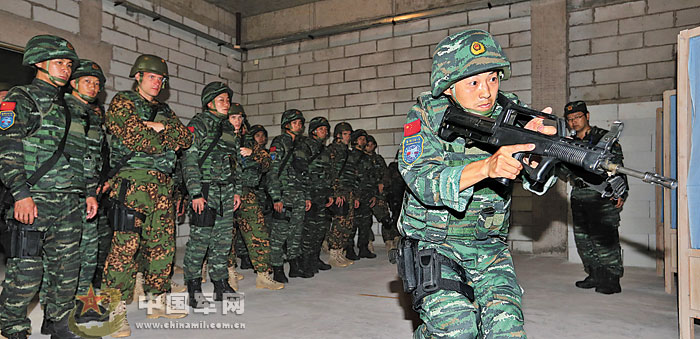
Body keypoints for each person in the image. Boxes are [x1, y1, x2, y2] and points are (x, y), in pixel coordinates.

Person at [398, 29, 557, 338]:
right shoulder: (424, 118)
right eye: (473, 82)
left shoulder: (511, 115)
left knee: (507, 329)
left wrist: (542, 152)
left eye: (493, 79)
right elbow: (423, 181)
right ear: (447, 88)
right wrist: (486, 166)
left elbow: (539, 181)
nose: (486, 92)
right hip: (436, 244)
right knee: (457, 330)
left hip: (488, 246)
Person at [0, 35, 92, 339]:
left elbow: (81, 155)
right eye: (58, 62)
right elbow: (8, 148)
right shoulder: (20, 98)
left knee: (66, 268)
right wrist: (20, 195)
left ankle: (57, 322)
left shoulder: (70, 106)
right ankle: (12, 328)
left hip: (69, 201)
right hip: (34, 199)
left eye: (68, 64)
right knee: (26, 271)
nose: (66, 69)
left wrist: (88, 191)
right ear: (39, 63)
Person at [102, 54, 192, 337]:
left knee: (162, 245)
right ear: (137, 76)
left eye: (161, 79)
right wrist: (163, 134)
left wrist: (158, 127)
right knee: (125, 248)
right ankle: (112, 309)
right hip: (132, 184)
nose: (157, 82)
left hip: (163, 187)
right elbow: (135, 138)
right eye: (152, 77)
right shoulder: (122, 102)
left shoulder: (164, 110)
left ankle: (157, 297)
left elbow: (186, 139)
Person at [182, 82, 242, 308]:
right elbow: (189, 160)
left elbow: (235, 162)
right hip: (205, 190)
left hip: (226, 191)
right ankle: (194, 288)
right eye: (221, 100)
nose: (226, 104)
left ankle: (220, 284)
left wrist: (236, 190)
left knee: (223, 240)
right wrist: (195, 193)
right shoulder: (198, 124)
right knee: (200, 241)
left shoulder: (228, 129)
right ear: (209, 103)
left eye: (227, 100)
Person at [561, 100, 627, 295]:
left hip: (602, 193)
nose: (573, 122)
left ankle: (612, 279)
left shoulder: (604, 139)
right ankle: (595, 274)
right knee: (583, 239)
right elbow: (565, 170)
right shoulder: (569, 143)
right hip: (579, 193)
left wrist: (621, 191)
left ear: (587, 116)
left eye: (577, 117)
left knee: (604, 238)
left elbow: (617, 167)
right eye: (570, 119)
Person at [64, 59, 109, 323]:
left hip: (89, 194)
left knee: (89, 253)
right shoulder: (61, 109)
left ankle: (84, 305)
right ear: (73, 83)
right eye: (87, 81)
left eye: (97, 83)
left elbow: (96, 156)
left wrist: (100, 183)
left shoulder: (92, 115)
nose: (93, 87)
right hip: (65, 192)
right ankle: (58, 311)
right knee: (64, 257)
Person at [227, 106, 284, 290]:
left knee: (258, 232)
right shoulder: (220, 138)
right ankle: (228, 272)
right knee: (226, 235)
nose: (237, 121)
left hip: (247, 192)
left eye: (240, 117)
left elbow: (268, 163)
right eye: (233, 117)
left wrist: (254, 153)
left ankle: (263, 275)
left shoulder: (249, 141)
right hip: (224, 191)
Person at [267, 109, 312, 282]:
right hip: (284, 195)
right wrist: (275, 197)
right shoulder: (279, 143)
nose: (299, 125)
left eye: (300, 123)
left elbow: (305, 173)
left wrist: (306, 195)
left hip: (299, 196)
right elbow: (272, 172)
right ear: (287, 125)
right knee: (279, 234)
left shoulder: (301, 146)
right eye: (295, 122)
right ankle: (277, 267)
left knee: (296, 232)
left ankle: (294, 265)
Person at [300, 117, 334, 274]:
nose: (324, 132)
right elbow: (301, 171)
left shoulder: (324, 149)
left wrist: (330, 193)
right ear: (313, 131)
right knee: (309, 230)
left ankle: (315, 258)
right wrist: (306, 195)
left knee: (320, 230)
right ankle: (306, 262)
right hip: (310, 194)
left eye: (326, 129)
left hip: (322, 195)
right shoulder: (306, 146)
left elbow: (328, 174)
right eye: (321, 129)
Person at [326, 122, 359, 267]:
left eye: (350, 134)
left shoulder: (348, 152)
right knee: (339, 223)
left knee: (348, 223)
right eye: (346, 134)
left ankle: (340, 252)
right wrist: (336, 193)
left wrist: (355, 194)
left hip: (349, 191)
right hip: (339, 192)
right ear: (338, 135)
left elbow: (353, 175)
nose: (348, 137)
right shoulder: (332, 150)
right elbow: (331, 173)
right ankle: (333, 253)